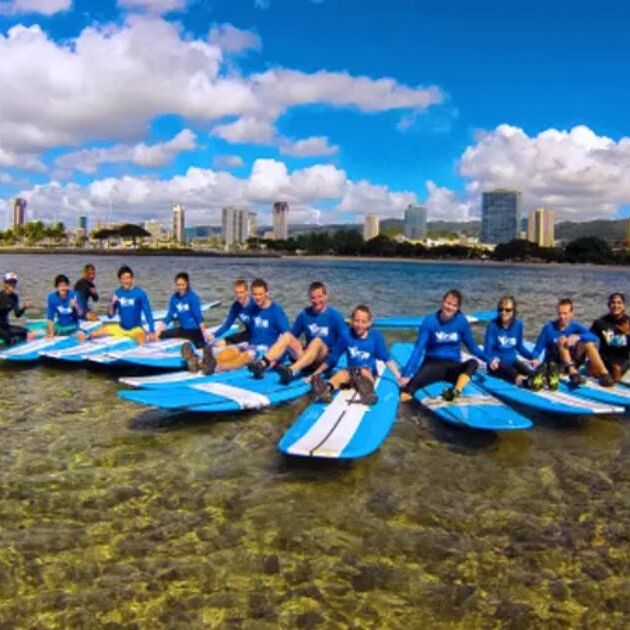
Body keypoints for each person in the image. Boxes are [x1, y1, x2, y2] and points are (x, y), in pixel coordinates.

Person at [182, 278, 289, 375]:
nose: (257, 297)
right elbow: (229, 324)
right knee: (233, 350)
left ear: (267, 293)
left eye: (260, 294)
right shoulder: (255, 308)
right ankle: (200, 360)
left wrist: (279, 358)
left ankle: (216, 366)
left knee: (247, 355)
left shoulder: (276, 311)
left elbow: (287, 336)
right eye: (255, 294)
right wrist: (214, 336)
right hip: (251, 342)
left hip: (266, 349)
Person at [249, 281, 347, 383]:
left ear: (326, 296)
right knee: (287, 335)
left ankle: (291, 370)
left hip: (323, 360)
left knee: (317, 341)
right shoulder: (304, 315)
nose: (316, 300)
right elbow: (290, 339)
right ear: (309, 298)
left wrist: (335, 361)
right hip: (307, 360)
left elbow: (346, 340)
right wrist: (277, 360)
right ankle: (262, 364)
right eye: (313, 297)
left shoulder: (335, 316)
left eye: (319, 297)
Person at [399, 289, 487, 402]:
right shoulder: (430, 321)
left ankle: (456, 391)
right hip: (433, 365)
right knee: (408, 389)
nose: (450, 307)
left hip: (453, 366)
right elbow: (418, 349)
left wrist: (490, 360)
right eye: (448, 303)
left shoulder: (461, 321)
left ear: (458, 308)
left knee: (473, 363)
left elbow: (473, 348)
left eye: (454, 305)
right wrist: (406, 374)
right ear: (442, 302)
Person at [310, 304, 402, 406]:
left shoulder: (375, 336)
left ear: (369, 323)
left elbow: (386, 358)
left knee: (363, 371)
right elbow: (333, 358)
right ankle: (326, 390)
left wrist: (398, 377)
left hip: (368, 374)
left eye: (363, 322)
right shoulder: (346, 336)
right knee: (342, 374)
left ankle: (368, 394)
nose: (359, 325)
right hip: (351, 373)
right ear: (352, 321)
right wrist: (316, 373)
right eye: (357, 321)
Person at [532, 298, 614, 388]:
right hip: (555, 364)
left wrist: (578, 337)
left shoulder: (575, 326)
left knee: (588, 343)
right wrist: (535, 358)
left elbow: (594, 337)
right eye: (560, 313)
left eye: (565, 313)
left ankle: (604, 374)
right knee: (563, 339)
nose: (562, 317)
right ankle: (573, 373)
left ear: (571, 313)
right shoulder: (548, 328)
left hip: (572, 361)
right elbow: (537, 349)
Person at [484, 295, 541, 388]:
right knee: (513, 373)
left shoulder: (518, 325)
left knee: (530, 372)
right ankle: (524, 382)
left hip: (513, 361)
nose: (503, 312)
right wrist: (491, 359)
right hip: (496, 365)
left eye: (507, 310)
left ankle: (539, 379)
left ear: (513, 311)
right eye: (501, 309)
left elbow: (520, 347)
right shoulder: (492, 325)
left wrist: (532, 357)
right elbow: (487, 350)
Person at [91, 265, 155, 344]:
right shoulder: (117, 293)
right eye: (123, 278)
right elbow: (110, 316)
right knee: (93, 334)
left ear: (132, 279)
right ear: (120, 280)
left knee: (142, 342)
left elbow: (148, 313)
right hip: (120, 328)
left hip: (135, 329)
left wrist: (151, 330)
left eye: (128, 278)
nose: (126, 281)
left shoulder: (140, 293)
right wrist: (111, 303)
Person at [156, 272, 207, 347]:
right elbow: (169, 316)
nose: (181, 287)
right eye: (178, 285)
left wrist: (204, 332)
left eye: (183, 285)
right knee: (161, 335)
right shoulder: (174, 298)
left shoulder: (193, 297)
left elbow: (198, 316)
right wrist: (158, 331)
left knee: (198, 345)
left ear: (187, 284)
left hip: (194, 331)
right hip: (183, 330)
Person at [590, 292, 630, 382]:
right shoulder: (600, 322)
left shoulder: (628, 323)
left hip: (622, 358)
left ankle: (615, 389)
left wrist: (628, 333)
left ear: (624, 306)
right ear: (609, 305)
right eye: (613, 302)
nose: (616, 305)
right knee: (592, 366)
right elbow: (588, 340)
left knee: (616, 368)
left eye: (619, 303)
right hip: (604, 356)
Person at [205, 279, 254, 347]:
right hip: (248, 334)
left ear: (247, 292)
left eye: (241, 292)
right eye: (236, 293)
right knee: (220, 343)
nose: (239, 295)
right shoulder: (236, 306)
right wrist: (214, 335)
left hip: (260, 336)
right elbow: (227, 325)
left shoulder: (255, 304)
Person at [46, 274, 85, 340]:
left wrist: (76, 305)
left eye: (65, 285)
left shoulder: (75, 295)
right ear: (57, 287)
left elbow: (81, 314)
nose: (63, 288)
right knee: (46, 334)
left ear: (68, 286)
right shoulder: (52, 297)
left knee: (81, 336)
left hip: (73, 327)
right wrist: (51, 333)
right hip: (60, 326)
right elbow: (50, 318)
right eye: (60, 286)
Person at [0, 272, 33, 346]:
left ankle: (25, 348)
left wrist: (24, 307)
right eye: (9, 282)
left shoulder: (15, 297)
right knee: (8, 338)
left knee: (26, 332)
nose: (12, 284)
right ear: (5, 283)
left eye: (14, 282)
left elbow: (17, 315)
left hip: (5, 326)